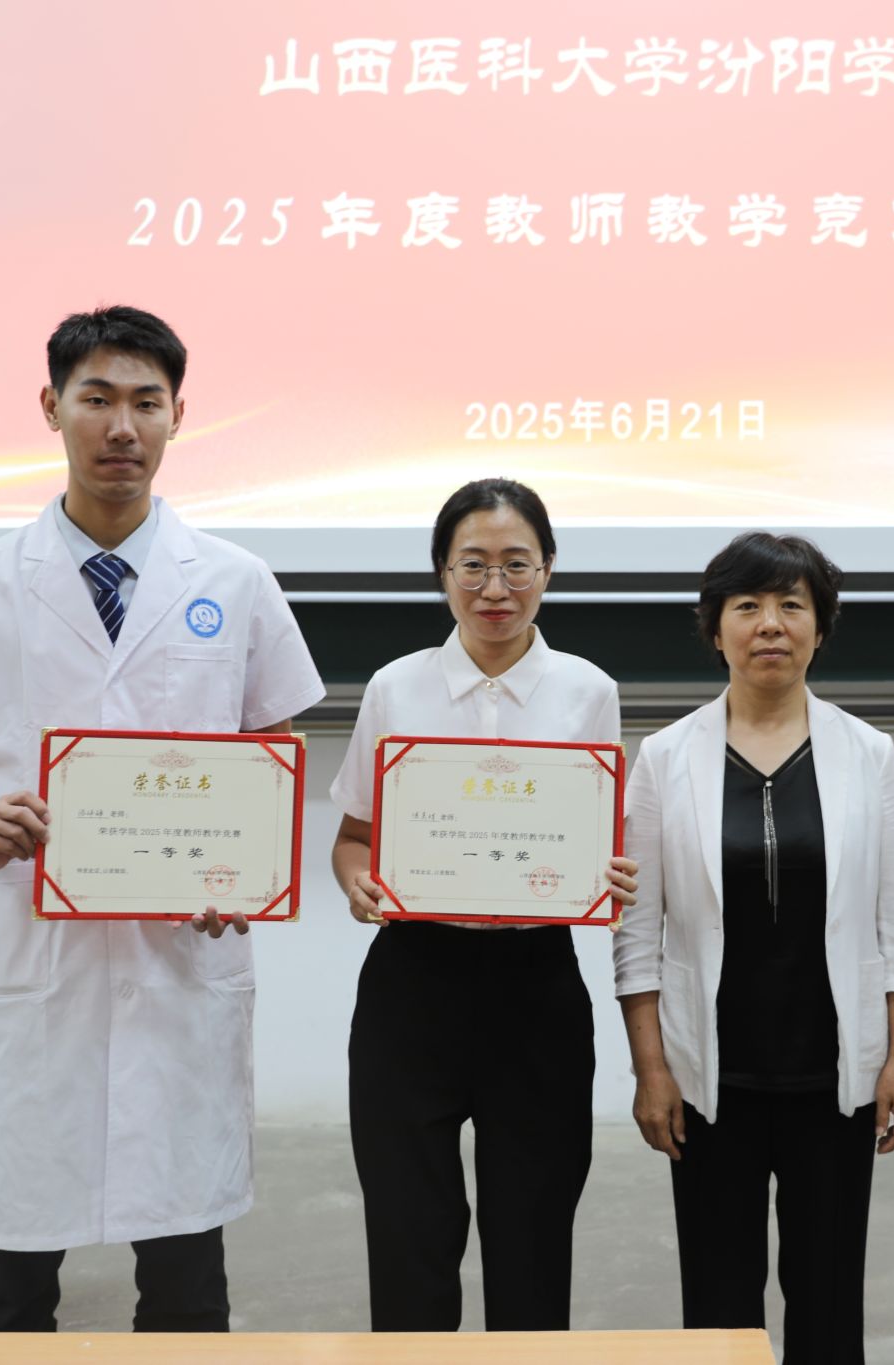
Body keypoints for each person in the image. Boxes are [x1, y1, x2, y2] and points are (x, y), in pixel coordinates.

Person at [0, 305, 325, 1332]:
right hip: (31, 965)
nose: (122, 426)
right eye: (98, 399)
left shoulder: (237, 584)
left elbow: (273, 766)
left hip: (179, 966)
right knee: (7, 1287)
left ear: (177, 417)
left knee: (185, 1288)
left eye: (146, 403)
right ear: (51, 406)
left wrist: (246, 877)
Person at [328, 477, 639, 1332]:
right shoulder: (395, 686)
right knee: (410, 1240)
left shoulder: (588, 691)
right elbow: (353, 837)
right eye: (473, 564)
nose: (495, 587)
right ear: (442, 571)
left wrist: (611, 878)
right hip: (413, 984)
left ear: (548, 570)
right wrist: (357, 881)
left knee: (532, 1241)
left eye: (516, 564)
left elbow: (600, 841)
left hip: (536, 986)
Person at [612, 531, 894, 1365]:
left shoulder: (869, 753)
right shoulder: (664, 757)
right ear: (714, 626)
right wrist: (651, 1070)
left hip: (834, 1075)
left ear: (819, 628)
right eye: (747, 605)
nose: (770, 624)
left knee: (828, 1298)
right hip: (710, 1076)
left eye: (792, 604)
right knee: (719, 1303)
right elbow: (637, 935)